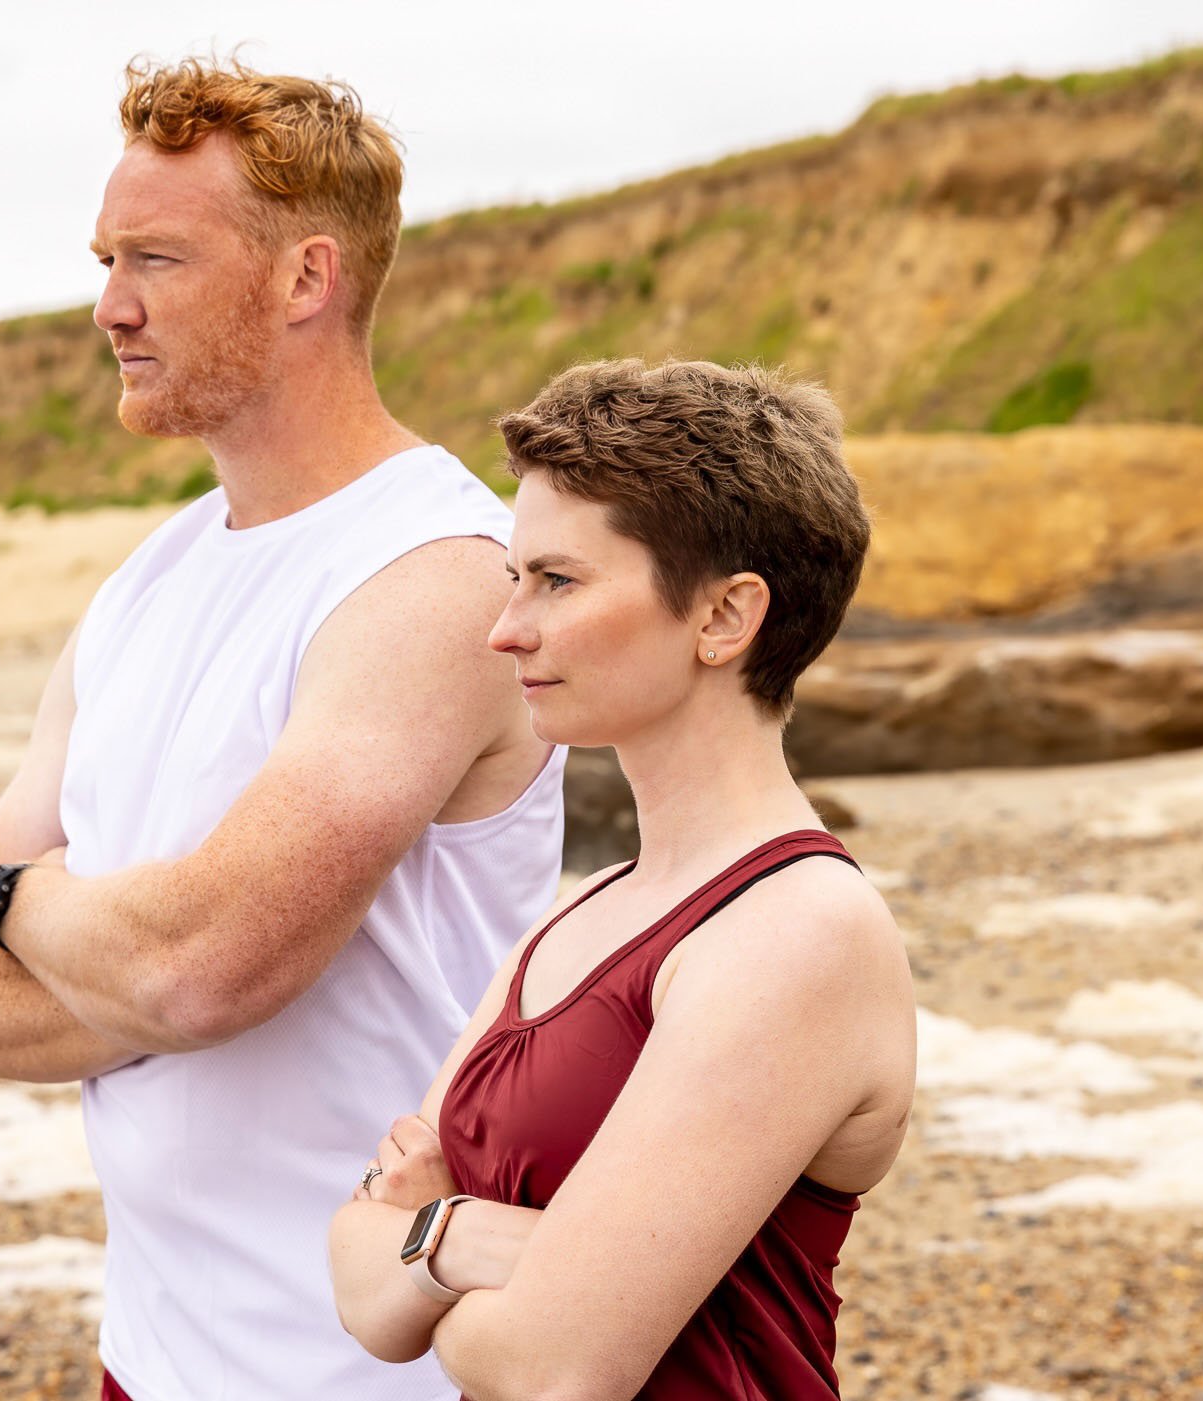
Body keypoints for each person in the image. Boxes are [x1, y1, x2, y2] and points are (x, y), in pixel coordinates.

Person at [0, 58, 564, 1401]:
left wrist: (8, 897)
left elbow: (203, 968)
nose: (110, 306)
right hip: (150, 1357)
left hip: (372, 1373)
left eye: (157, 258)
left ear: (306, 280)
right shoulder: (146, 581)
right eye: (105, 258)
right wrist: (140, 962)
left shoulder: (435, 575)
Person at [328, 359, 916, 1400]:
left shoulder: (801, 930)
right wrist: (492, 1251)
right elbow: (360, 1295)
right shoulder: (585, 913)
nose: (507, 628)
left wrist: (438, 1235)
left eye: (556, 581)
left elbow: (552, 1367)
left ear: (725, 618)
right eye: (516, 580)